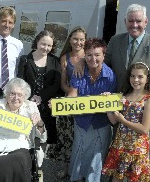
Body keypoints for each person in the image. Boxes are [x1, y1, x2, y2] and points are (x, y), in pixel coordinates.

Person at [105, 3, 150, 127]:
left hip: (142, 111)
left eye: (138, 21)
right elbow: (103, 68)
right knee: (117, 143)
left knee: (138, 144)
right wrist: (81, 61)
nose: (134, 25)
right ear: (125, 22)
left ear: (146, 22)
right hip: (118, 107)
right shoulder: (115, 40)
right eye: (131, 21)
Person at [67, 38, 116, 182]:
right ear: (85, 56)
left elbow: (112, 103)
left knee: (97, 156)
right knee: (79, 152)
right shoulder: (79, 72)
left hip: (101, 123)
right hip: (81, 121)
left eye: (97, 55)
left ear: (103, 55)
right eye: (89, 55)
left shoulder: (111, 76)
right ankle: (76, 178)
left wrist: (109, 99)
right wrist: (61, 104)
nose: (93, 58)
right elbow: (72, 94)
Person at [102, 62, 150, 182]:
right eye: (132, 76)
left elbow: (144, 129)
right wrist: (107, 104)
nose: (135, 80)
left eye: (140, 76)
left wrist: (123, 120)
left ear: (147, 79)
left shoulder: (149, 99)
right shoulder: (124, 96)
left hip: (137, 149)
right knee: (116, 178)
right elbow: (113, 120)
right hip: (120, 145)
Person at [46, 26, 87, 179]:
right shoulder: (65, 58)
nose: (78, 42)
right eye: (75, 39)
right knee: (66, 137)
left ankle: (79, 169)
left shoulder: (88, 56)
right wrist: (71, 94)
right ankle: (66, 168)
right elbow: (62, 83)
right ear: (70, 40)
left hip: (85, 104)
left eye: (82, 39)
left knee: (81, 137)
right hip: (69, 103)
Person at [17, 30, 61, 144]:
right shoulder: (25, 59)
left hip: (47, 107)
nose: (46, 48)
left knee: (44, 138)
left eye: (49, 45)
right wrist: (31, 97)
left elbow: (56, 85)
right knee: (26, 137)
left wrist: (41, 97)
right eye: (43, 44)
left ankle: (40, 161)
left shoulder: (55, 61)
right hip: (28, 105)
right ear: (37, 42)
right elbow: (20, 82)